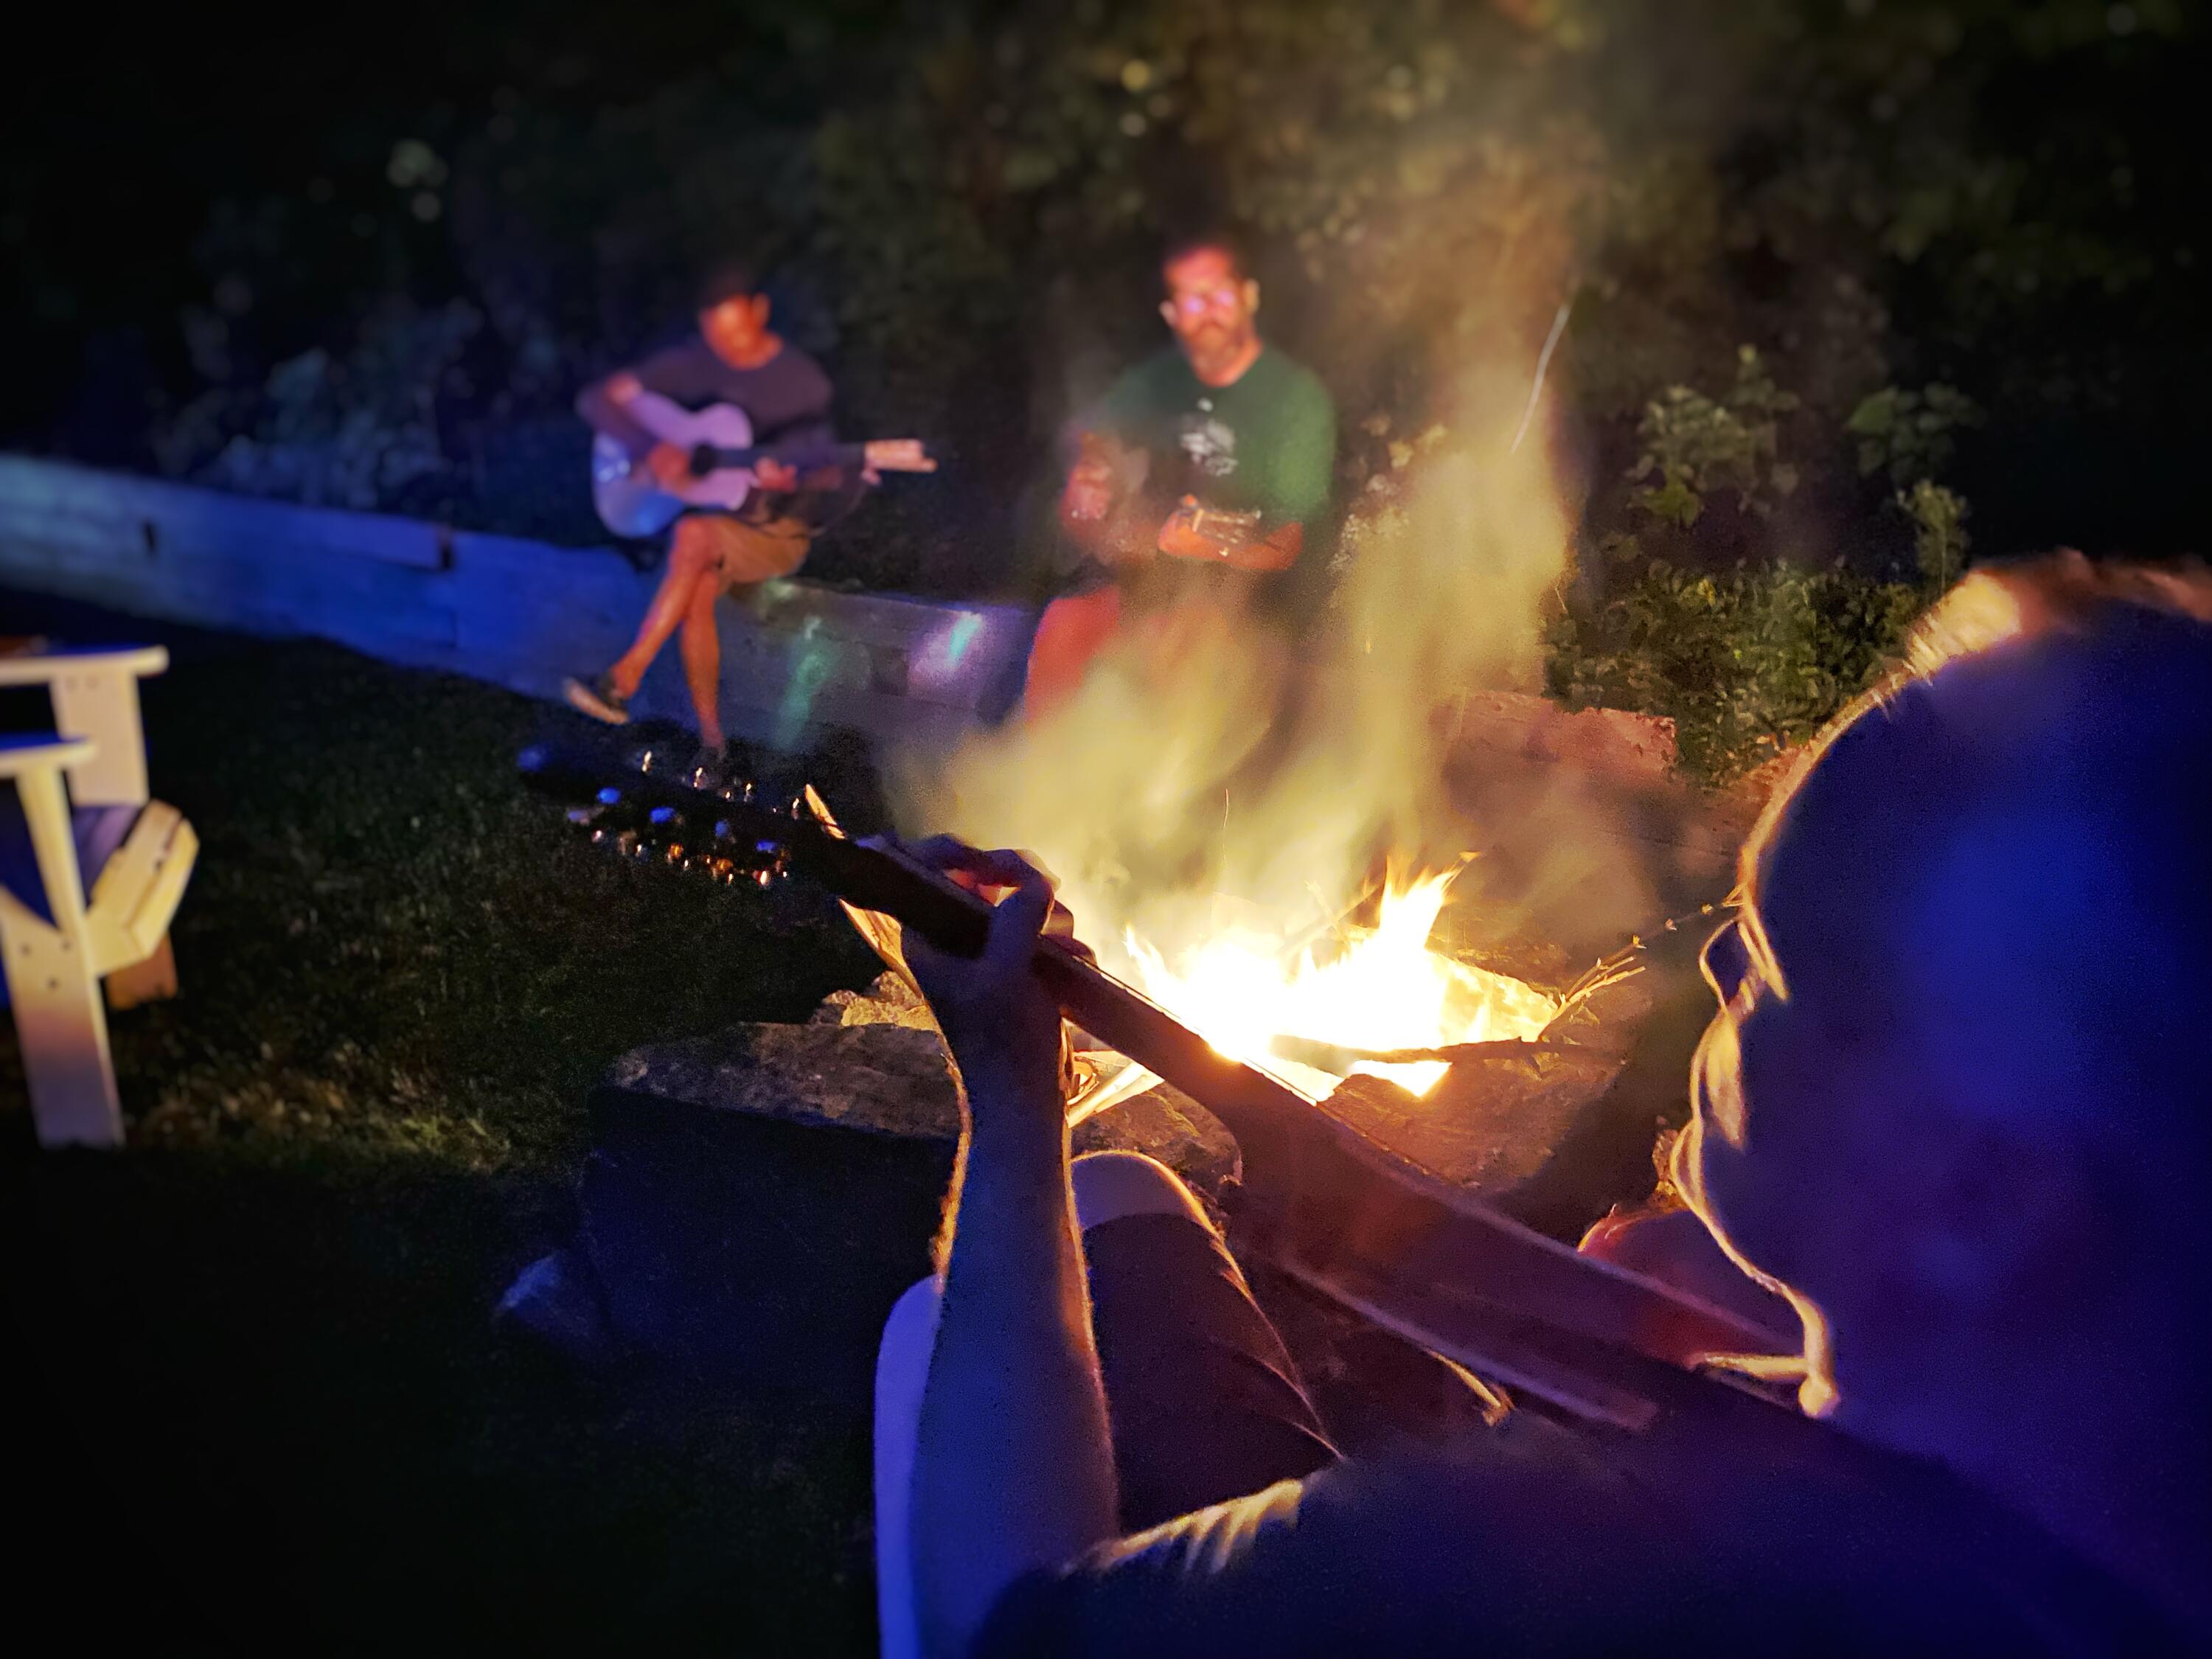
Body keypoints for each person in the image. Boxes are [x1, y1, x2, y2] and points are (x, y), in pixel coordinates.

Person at [875, 550, 2212, 1657]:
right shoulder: (2104, 1463)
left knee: (944, 1329)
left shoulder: (1568, 1556)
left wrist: (1010, 1095)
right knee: (1125, 1195)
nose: (1716, 963)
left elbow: (1000, 1621)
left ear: (1981, 1198)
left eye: (1783, 962)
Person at [564, 260, 892, 775]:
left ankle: (624, 679)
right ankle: (714, 750)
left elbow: (823, 477)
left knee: (692, 533)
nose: (730, 351)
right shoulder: (696, 365)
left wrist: (788, 485)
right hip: (722, 524)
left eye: (739, 334)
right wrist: (649, 446)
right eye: (717, 338)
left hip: (777, 530)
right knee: (694, 584)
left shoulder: (798, 382)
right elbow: (597, 399)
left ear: (760, 312)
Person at [1023, 234, 1338, 715]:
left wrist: (1207, 544)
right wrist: (1092, 473)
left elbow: (1286, 546)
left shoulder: (1295, 401)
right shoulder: (1158, 381)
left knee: (1178, 646)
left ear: (1248, 298)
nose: (1206, 309)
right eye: (1190, 297)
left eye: (1219, 293)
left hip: (1246, 602)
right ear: (1172, 314)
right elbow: (1096, 445)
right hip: (1148, 589)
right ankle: (1049, 780)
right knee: (1065, 625)